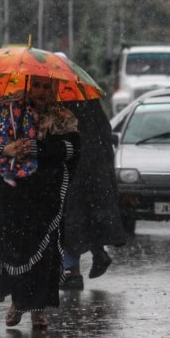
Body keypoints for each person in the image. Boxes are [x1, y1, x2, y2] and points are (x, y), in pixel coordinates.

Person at [0, 75, 80, 329]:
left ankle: (38, 308)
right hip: (12, 195)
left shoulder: (62, 117)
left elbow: (72, 150)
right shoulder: (9, 112)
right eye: (36, 85)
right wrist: (7, 150)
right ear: (27, 85)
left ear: (54, 90)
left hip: (45, 196)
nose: (41, 91)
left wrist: (38, 148)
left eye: (47, 87)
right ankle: (17, 301)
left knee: (44, 252)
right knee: (14, 249)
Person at [59, 98, 127, 290]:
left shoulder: (62, 105)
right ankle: (96, 254)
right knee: (87, 215)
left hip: (73, 168)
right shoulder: (88, 99)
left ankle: (73, 273)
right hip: (95, 168)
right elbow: (105, 131)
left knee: (71, 219)